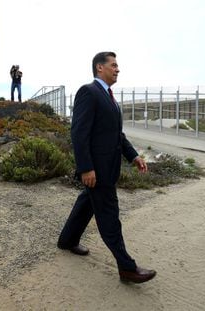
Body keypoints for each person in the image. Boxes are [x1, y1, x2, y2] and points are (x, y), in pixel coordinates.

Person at [57, 52, 156, 284]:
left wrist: (133, 157)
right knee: (110, 218)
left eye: (117, 65)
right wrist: (86, 168)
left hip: (108, 169)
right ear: (99, 68)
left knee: (87, 203)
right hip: (97, 171)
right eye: (114, 65)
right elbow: (79, 133)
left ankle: (67, 240)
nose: (117, 69)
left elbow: (117, 136)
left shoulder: (110, 99)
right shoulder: (88, 92)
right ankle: (127, 268)